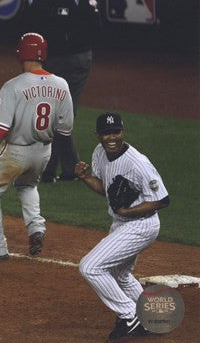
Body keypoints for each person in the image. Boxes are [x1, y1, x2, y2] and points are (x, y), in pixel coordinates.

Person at [74, 112, 170, 341]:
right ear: (98, 135)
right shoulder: (99, 153)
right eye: (106, 133)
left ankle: (129, 316)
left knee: (90, 267)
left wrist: (129, 211)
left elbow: (163, 200)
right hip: (122, 224)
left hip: (142, 225)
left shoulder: (137, 163)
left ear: (122, 132)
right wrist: (87, 177)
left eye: (115, 132)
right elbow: (108, 190)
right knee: (120, 273)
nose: (111, 137)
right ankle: (151, 318)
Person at [0, 32, 74, 259]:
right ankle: (36, 228)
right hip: (44, 153)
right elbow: (65, 130)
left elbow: (1, 131)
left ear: (21, 54)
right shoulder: (62, 84)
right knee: (27, 186)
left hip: (16, 152)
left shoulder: (13, 86)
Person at [20, 0, 101, 182]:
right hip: (46, 63)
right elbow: (23, 29)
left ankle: (55, 170)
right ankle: (63, 170)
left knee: (62, 117)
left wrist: (67, 40)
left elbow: (96, 27)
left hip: (75, 61)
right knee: (48, 116)